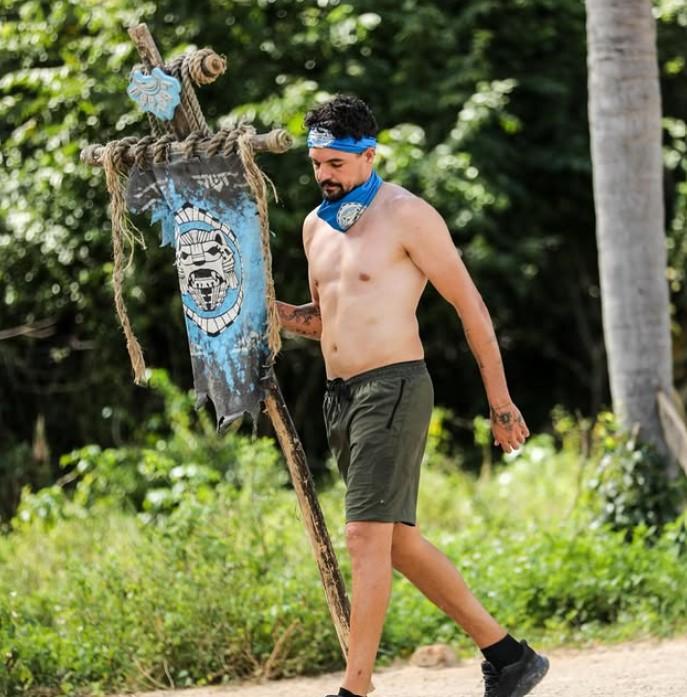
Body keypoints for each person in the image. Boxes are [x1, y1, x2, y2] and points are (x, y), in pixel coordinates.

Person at [276, 95, 549, 697]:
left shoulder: (407, 215)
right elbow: (326, 319)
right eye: (317, 163)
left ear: (368, 156)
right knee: (395, 541)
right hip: (340, 398)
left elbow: (470, 307)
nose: (324, 175)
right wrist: (271, 313)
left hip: (393, 386)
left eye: (336, 164)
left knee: (363, 536)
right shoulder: (315, 226)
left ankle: (355, 688)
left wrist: (501, 403)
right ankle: (509, 657)